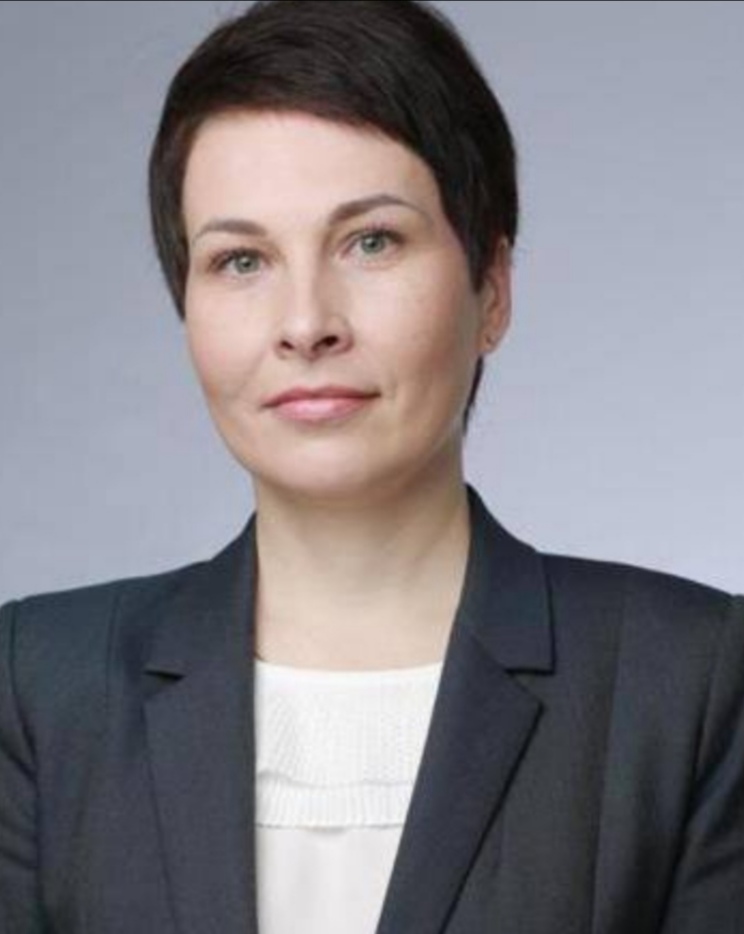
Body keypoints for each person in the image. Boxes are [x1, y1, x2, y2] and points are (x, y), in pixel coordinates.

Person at [1, 1, 742, 932]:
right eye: (241, 260)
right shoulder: (38, 686)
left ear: (492, 289)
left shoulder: (693, 681)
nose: (306, 323)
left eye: (372, 241)